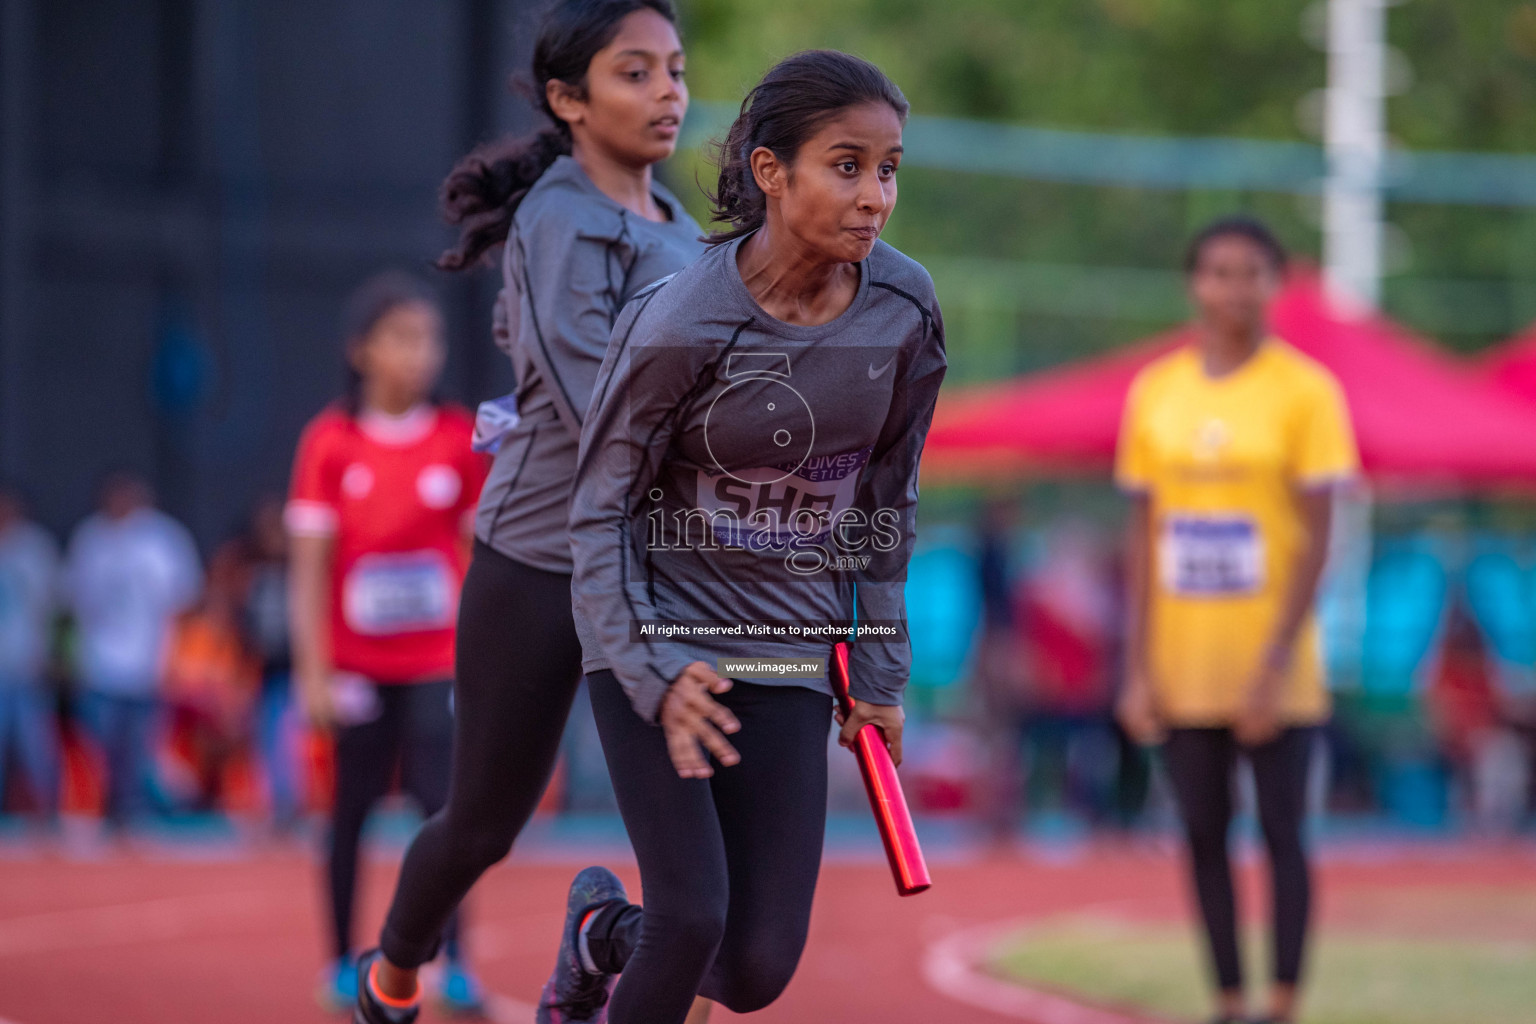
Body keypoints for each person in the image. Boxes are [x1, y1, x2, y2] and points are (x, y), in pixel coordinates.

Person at [550, 50, 945, 1024]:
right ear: (772, 172)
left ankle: (599, 935)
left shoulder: (904, 312)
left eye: (888, 168)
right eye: (845, 165)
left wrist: (882, 675)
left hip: (788, 661)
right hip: (659, 641)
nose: (874, 196)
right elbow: (597, 510)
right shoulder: (683, 319)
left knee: (755, 968)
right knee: (689, 918)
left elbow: (886, 507)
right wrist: (651, 672)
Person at [355, 3, 706, 1022]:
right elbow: (607, 399)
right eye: (635, 73)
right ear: (569, 98)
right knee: (483, 822)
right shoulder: (561, 218)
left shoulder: (678, 227)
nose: (668, 92)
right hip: (541, 557)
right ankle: (392, 978)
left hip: (650, 562)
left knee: (695, 859)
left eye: (675, 71)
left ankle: (603, 944)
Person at [1115, 216, 1359, 1024]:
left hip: (1276, 670)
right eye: (1218, 272)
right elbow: (1145, 539)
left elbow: (1320, 537)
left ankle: (1283, 1002)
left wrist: (1272, 664)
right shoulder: (1156, 391)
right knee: (1203, 839)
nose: (1234, 288)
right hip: (1183, 666)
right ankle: (1226, 999)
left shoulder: (1308, 391)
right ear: (1195, 284)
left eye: (1251, 273)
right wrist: (1138, 668)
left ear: (1275, 284)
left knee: (1285, 837)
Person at [286, 272, 489, 1014]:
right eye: (402, 338)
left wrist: (484, 664)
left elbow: (479, 560)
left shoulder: (457, 436)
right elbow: (308, 571)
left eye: (430, 338)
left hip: (439, 664)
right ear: (361, 351)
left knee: (450, 814)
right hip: (355, 670)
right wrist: (312, 673)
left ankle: (454, 958)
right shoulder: (329, 443)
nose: (421, 353)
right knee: (350, 815)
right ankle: (342, 958)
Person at [63, 472, 202, 830]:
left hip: (148, 662)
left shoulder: (162, 538)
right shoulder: (90, 538)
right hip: (101, 663)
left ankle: (137, 812)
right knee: (103, 746)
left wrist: (173, 656)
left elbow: (184, 600)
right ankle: (109, 808)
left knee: (143, 748)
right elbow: (75, 603)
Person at [0, 486, 62, 822]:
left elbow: (55, 608)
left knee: (36, 746)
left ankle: (50, 814)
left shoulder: (33, 550)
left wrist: (55, 655)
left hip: (26, 665)